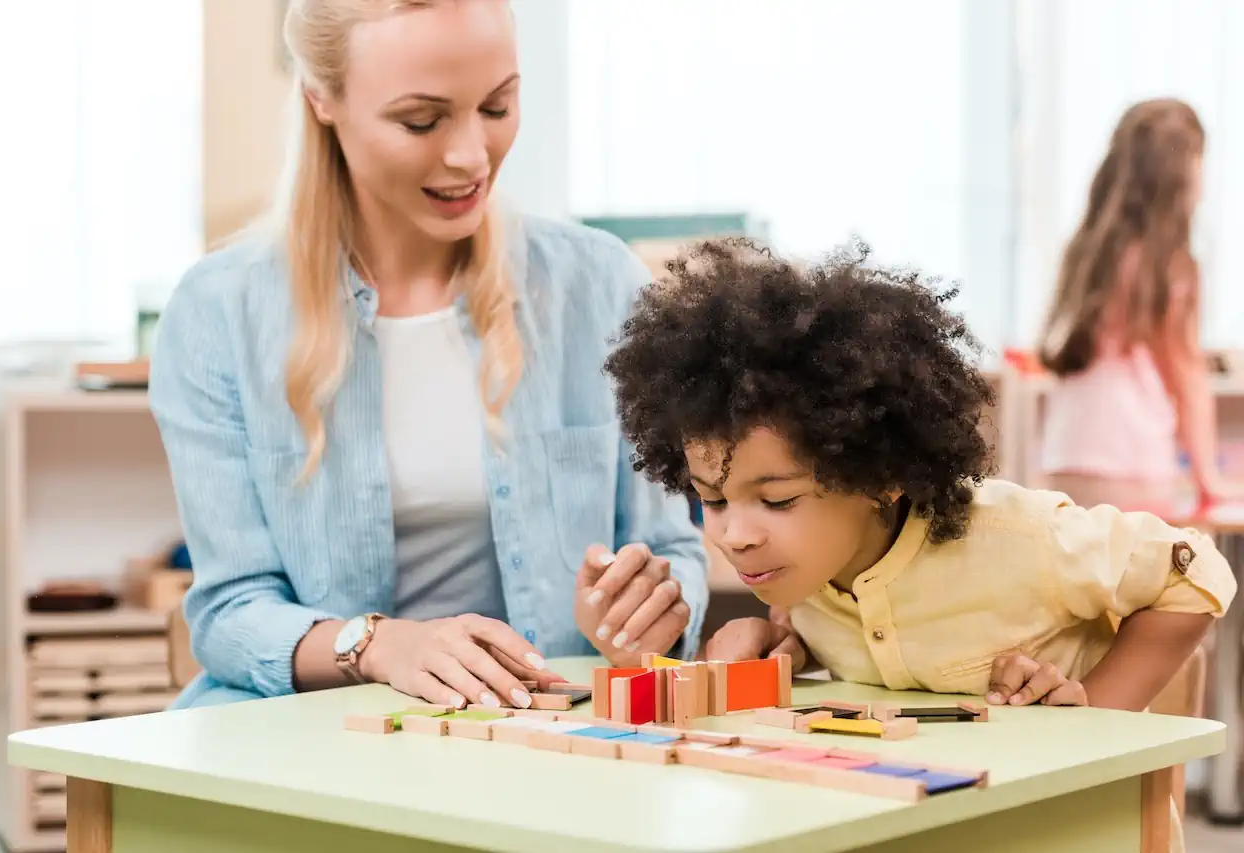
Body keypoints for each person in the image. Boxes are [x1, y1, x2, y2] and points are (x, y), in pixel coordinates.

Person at [149, 0, 707, 711]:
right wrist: (380, 646)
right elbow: (229, 613)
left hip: (547, 742)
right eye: (422, 120)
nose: (471, 155)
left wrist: (651, 618)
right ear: (321, 97)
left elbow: (672, 550)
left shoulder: (600, 286)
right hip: (313, 741)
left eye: (498, 105)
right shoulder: (218, 312)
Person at [601, 236, 1235, 717]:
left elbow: (1197, 571)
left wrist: (1092, 715)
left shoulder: (1022, 540)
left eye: (778, 500)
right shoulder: (808, 579)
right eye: (711, 500)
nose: (735, 535)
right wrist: (779, 639)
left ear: (880, 474)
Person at [1037, 98, 1239, 514]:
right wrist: (1209, 479)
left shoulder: (1085, 251)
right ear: (1183, 173)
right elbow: (1185, 372)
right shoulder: (1170, 264)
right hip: (1130, 461)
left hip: (1064, 455)